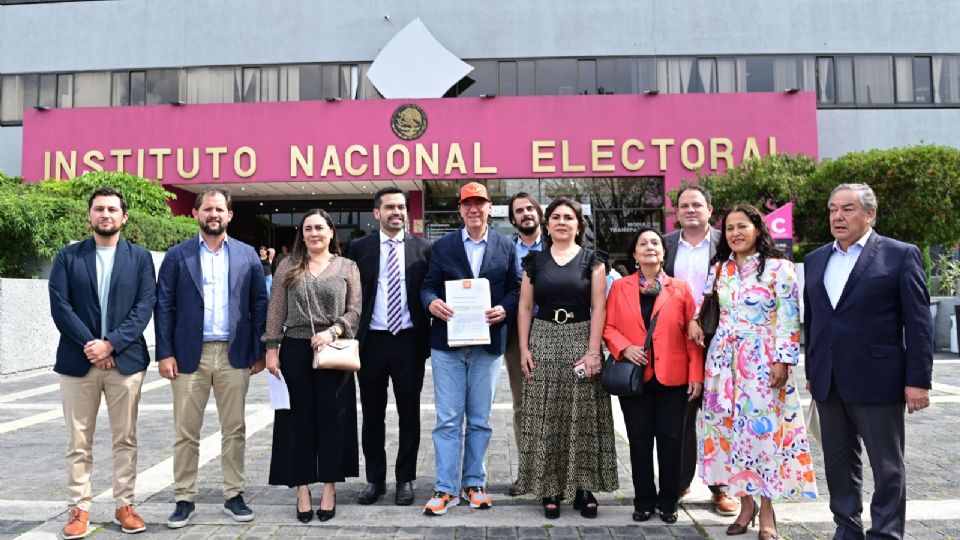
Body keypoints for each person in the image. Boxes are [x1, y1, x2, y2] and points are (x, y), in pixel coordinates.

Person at [804, 183, 932, 539]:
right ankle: (847, 529)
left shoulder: (899, 255)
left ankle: (887, 533)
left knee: (887, 467)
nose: (837, 217)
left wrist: (918, 380)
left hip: (879, 380)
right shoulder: (815, 260)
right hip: (829, 382)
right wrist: (813, 372)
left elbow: (919, 322)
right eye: (832, 209)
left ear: (869, 214)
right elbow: (814, 321)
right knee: (839, 466)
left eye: (847, 209)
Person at [696, 204, 817, 539]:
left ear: (757, 229)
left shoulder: (780, 268)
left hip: (762, 362)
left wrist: (783, 359)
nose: (735, 233)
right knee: (729, 435)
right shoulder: (719, 268)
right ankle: (744, 503)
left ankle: (767, 510)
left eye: (742, 226)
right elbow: (703, 306)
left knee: (763, 437)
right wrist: (694, 324)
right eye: (730, 227)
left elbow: (789, 317)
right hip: (722, 363)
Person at [154, 188, 268, 529]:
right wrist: (164, 353)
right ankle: (184, 498)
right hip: (190, 356)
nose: (213, 214)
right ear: (195, 214)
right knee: (185, 431)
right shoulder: (178, 256)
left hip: (234, 355)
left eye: (220, 209)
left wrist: (259, 350)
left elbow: (259, 304)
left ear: (230, 215)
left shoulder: (248, 255)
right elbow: (164, 307)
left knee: (234, 429)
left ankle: (234, 494)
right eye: (207, 209)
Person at [49, 187, 156, 539]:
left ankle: (125, 503)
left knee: (125, 438)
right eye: (99, 209)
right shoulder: (68, 257)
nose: (105, 214)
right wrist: (92, 346)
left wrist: (112, 344)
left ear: (124, 216)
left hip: (125, 363)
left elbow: (144, 307)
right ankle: (79, 507)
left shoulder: (140, 259)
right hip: (78, 362)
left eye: (112, 209)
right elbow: (61, 306)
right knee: (78, 440)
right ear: (89, 215)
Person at [420, 181, 519, 516]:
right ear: (460, 210)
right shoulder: (444, 245)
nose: (474, 209)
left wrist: (505, 308)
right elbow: (428, 286)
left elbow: (517, 288)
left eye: (480, 203)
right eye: (467, 204)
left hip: (487, 346)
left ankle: (474, 483)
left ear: (489, 207)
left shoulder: (506, 246)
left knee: (480, 419)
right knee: (448, 419)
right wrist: (432, 302)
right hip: (448, 346)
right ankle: (445, 488)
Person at [516, 197, 618, 519]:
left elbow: (599, 307)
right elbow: (523, 307)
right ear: (547, 224)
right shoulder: (535, 262)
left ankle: (584, 487)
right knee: (547, 413)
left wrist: (593, 351)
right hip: (544, 337)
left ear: (578, 225)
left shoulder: (593, 261)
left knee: (583, 412)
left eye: (569, 217)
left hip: (580, 337)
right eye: (556, 217)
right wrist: (524, 348)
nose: (562, 222)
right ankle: (550, 487)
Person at [263, 208, 361, 522]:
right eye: (308, 229)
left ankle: (330, 486)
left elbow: (355, 310)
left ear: (332, 232)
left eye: (320, 227)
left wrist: (333, 331)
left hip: (335, 350)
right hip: (294, 351)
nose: (314, 233)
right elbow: (275, 309)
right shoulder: (287, 266)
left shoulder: (347, 266)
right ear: (302, 234)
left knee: (334, 419)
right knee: (296, 421)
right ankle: (302, 488)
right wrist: (271, 349)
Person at [604, 226, 703, 524]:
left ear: (663, 253)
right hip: (635, 376)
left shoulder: (681, 288)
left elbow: (692, 335)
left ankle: (669, 501)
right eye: (643, 243)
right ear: (634, 254)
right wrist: (625, 348)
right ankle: (644, 500)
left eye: (655, 243)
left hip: (673, 377)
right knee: (639, 439)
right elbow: (608, 328)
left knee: (673, 440)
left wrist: (696, 375)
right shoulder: (620, 287)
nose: (649, 247)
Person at [348, 187, 432, 506]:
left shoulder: (424, 248)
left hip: (410, 342)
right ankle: (375, 479)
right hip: (371, 343)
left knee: (409, 414)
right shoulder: (359, 248)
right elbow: (350, 293)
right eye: (390, 207)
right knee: (372, 415)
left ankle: (405, 479)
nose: (397, 212)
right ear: (377, 213)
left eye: (401, 207)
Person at [663, 184, 737, 517]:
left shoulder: (728, 243)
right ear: (677, 212)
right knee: (682, 414)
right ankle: (681, 481)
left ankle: (722, 488)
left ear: (710, 208)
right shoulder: (665, 245)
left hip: (720, 339)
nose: (690, 210)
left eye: (696, 204)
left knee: (720, 414)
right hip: (678, 341)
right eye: (683, 206)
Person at [504, 191, 544, 496]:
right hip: (519, 336)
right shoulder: (506, 250)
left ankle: (559, 474)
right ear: (512, 218)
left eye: (530, 208)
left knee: (559, 405)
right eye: (519, 210)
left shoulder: (559, 243)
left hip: (560, 331)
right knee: (522, 407)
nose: (526, 213)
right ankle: (527, 473)